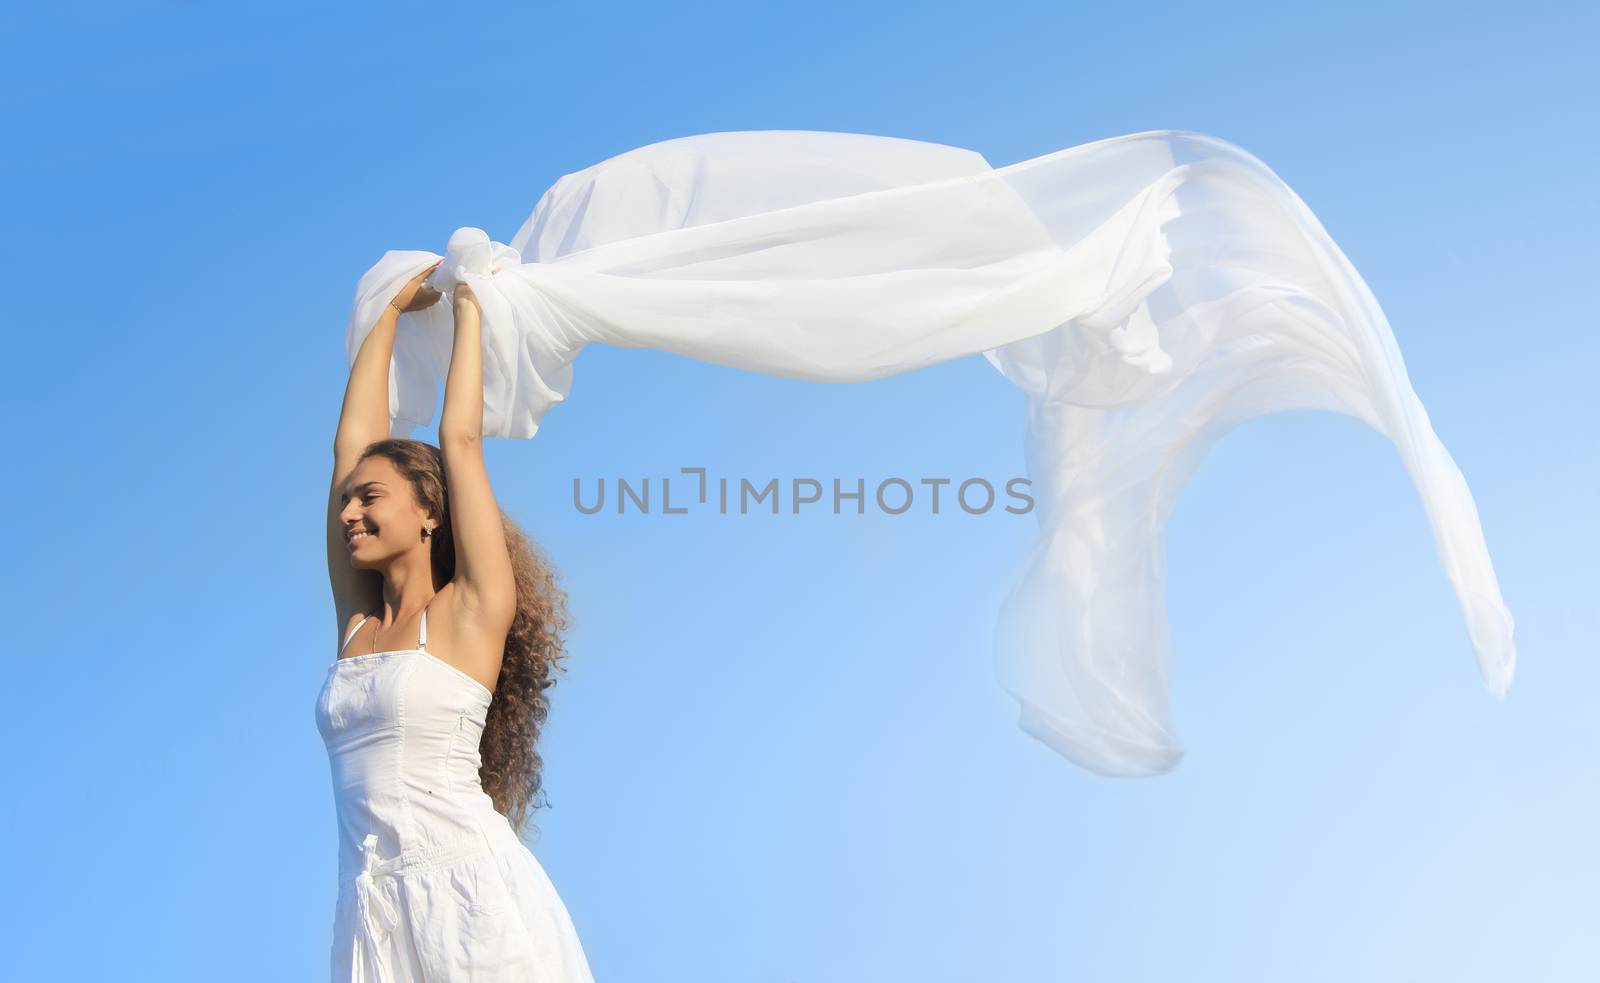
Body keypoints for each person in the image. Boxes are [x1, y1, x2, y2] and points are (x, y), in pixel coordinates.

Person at [315, 263, 596, 980]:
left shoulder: (470, 612)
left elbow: (460, 439)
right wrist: (385, 313)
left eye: (370, 498)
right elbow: (350, 448)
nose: (349, 513)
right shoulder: (358, 623)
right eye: (348, 501)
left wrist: (472, 303)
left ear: (429, 512)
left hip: (470, 901)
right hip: (372, 915)